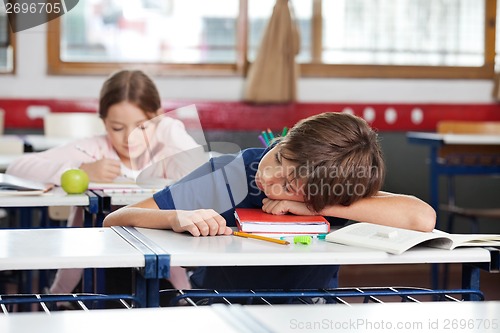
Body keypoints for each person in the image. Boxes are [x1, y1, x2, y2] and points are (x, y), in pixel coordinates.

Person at [103, 112, 436, 291]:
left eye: (289, 184)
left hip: (308, 312)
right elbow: (117, 218)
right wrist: (175, 217)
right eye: (278, 156)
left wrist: (318, 206)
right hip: (219, 305)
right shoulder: (237, 171)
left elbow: (421, 218)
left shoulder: (333, 185)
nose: (269, 177)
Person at [7, 69, 201, 296]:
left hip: (162, 271)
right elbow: (16, 168)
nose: (129, 137)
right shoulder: (94, 151)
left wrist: (169, 127)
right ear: (104, 122)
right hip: (95, 268)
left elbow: (201, 176)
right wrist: (81, 170)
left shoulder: (165, 151)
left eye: (142, 126)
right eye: (117, 128)